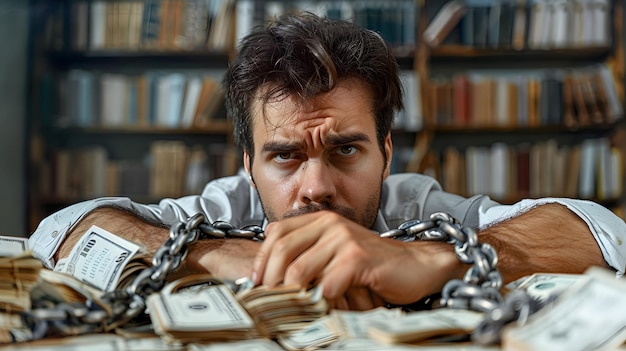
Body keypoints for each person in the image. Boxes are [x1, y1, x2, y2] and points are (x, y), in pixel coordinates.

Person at [30, 13, 625, 311]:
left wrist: (428, 257)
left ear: (386, 154)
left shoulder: (420, 208)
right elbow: (60, 231)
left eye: (345, 149)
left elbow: (603, 233)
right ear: (248, 164)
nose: (315, 187)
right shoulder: (219, 210)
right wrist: (229, 254)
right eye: (285, 156)